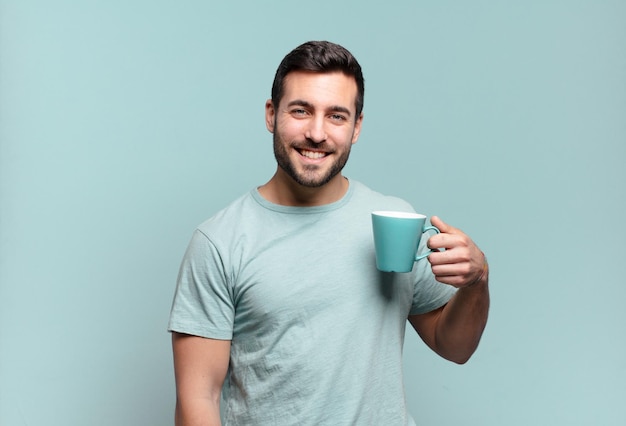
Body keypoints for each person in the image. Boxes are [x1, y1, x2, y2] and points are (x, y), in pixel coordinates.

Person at [168, 40, 490, 426]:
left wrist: (477, 281)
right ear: (271, 115)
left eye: (336, 116)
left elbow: (453, 346)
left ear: (356, 127)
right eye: (301, 111)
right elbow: (197, 399)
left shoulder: (396, 221)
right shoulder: (219, 242)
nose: (317, 133)